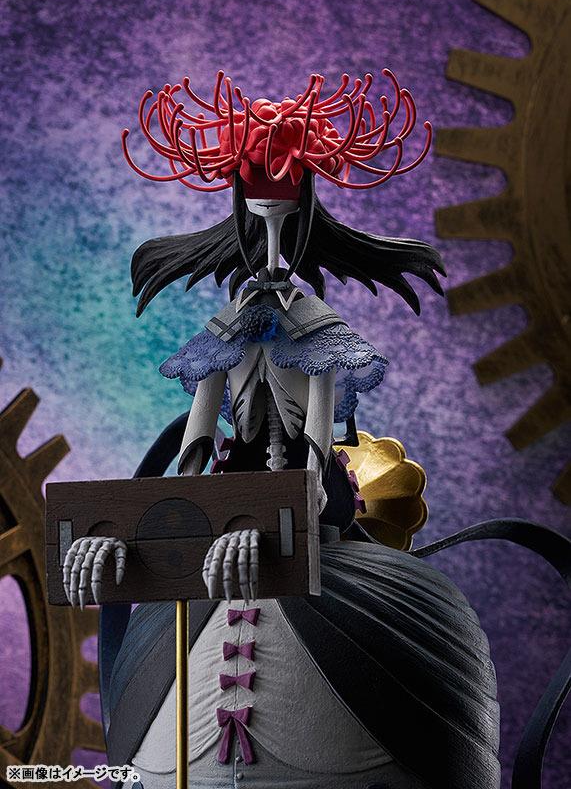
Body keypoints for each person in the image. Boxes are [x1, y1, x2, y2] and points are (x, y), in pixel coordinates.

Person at [62, 71, 570, 789]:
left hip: (311, 511)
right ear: (241, 221)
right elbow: (195, 451)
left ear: (305, 226)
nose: (272, 249)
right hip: (224, 513)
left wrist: (278, 527)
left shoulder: (319, 336)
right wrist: (140, 544)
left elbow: (312, 452)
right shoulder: (223, 335)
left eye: (285, 228)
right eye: (259, 225)